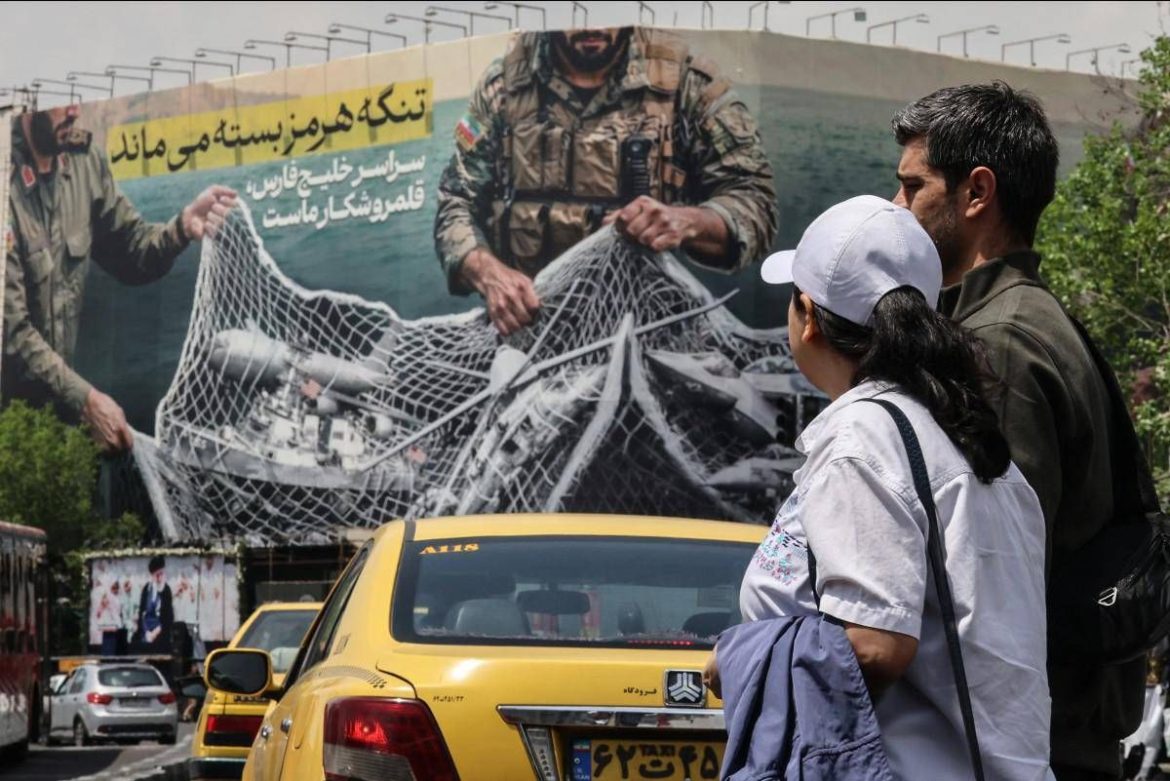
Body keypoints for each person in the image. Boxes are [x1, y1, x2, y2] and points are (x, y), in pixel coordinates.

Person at [708, 195, 1053, 779]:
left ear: (808, 315)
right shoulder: (956, 431)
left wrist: (738, 659)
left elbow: (875, 645)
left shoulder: (863, 435)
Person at [890, 82, 1144, 781]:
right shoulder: (1024, 318)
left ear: (977, 192)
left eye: (912, 187)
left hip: (1025, 752)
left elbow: (995, 579)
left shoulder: (997, 342)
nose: (896, 208)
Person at [434, 27, 778, 335]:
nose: (593, 24)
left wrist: (687, 221)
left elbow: (754, 199)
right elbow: (456, 200)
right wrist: (487, 272)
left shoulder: (687, 84)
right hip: (532, 330)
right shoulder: (503, 87)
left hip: (652, 330)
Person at [5, 103, 237, 452]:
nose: (74, 111)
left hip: (56, 418)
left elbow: (131, 250)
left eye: (78, 98)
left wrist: (181, 227)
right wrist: (87, 401)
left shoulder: (85, 163)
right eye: (61, 101)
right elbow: (12, 333)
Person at [136, 555, 174, 652]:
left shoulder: (166, 590)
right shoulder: (147, 589)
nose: (159, 578)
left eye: (161, 574)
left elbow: (168, 618)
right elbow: (142, 613)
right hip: (146, 635)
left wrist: (155, 633)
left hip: (160, 635)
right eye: (157, 575)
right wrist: (147, 633)